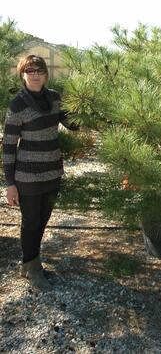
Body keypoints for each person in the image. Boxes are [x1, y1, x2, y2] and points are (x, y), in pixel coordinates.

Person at [2, 55, 78, 291]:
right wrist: (10, 183)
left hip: (52, 172)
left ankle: (30, 263)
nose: (35, 75)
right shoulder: (17, 105)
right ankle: (31, 267)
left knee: (42, 220)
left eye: (39, 71)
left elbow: (73, 124)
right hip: (27, 176)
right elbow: (8, 146)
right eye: (30, 71)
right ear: (23, 74)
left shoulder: (55, 98)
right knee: (31, 222)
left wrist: (88, 106)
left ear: (46, 74)